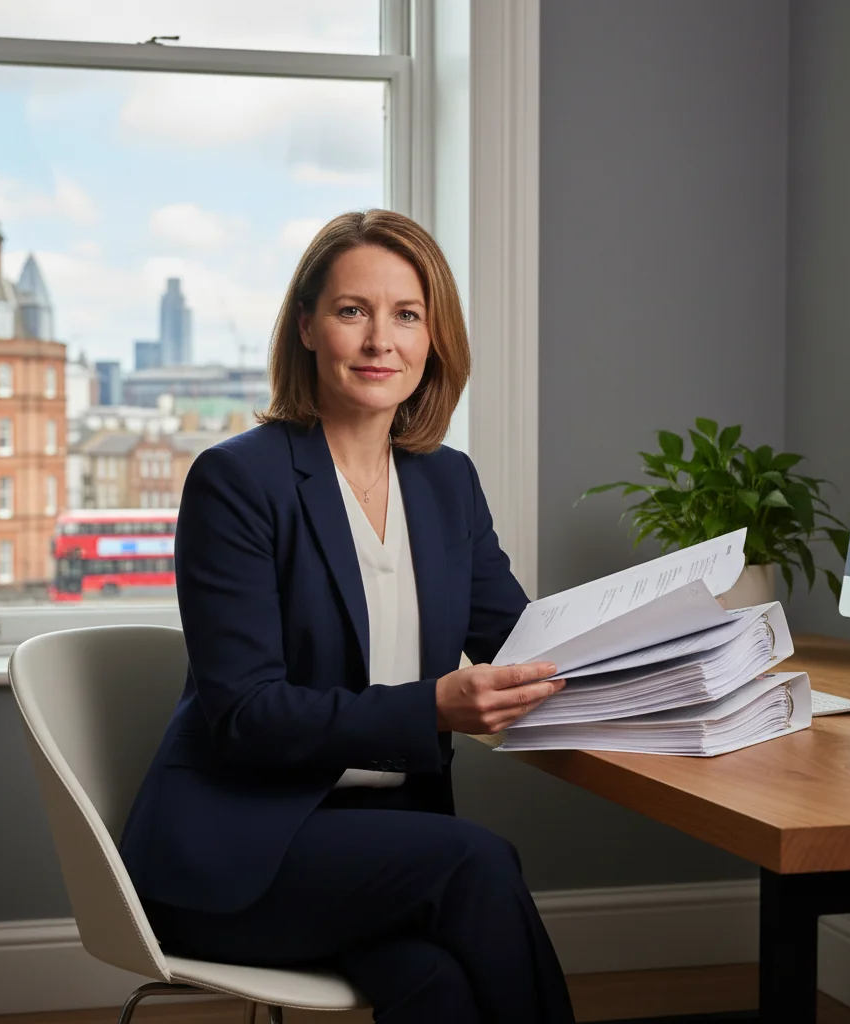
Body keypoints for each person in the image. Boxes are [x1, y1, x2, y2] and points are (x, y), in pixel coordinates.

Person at [120, 210, 575, 1024]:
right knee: (476, 865)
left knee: (437, 985)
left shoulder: (447, 483)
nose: (380, 341)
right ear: (306, 326)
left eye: (407, 315)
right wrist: (432, 707)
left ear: (434, 338)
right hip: (238, 853)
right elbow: (247, 715)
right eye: (352, 311)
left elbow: (526, 643)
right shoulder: (236, 481)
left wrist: (671, 654)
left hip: (383, 846)